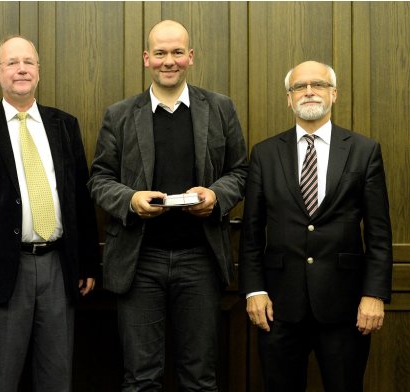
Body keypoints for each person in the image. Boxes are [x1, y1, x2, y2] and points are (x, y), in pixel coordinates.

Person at [88, 20, 248, 391]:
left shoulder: (220, 108)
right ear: (147, 58)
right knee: (141, 377)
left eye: (177, 52)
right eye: (160, 53)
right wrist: (130, 200)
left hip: (200, 259)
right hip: (139, 261)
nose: (169, 61)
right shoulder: (120, 114)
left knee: (200, 377)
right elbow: (99, 179)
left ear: (190, 57)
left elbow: (240, 172)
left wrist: (215, 197)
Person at [0, 35, 100, 392]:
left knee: (56, 376)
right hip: (2, 269)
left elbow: (81, 198)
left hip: (58, 268)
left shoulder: (65, 124)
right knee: (1, 378)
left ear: (38, 71)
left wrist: (88, 264)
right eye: (12, 63)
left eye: (28, 62)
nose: (21, 69)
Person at [239, 60, 393, 391]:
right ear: (289, 98)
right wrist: (254, 290)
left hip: (346, 307)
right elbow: (252, 234)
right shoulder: (265, 154)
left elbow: (379, 234)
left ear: (334, 94)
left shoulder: (364, 151)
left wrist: (374, 294)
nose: (309, 92)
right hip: (278, 308)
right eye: (299, 87)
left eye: (319, 85)